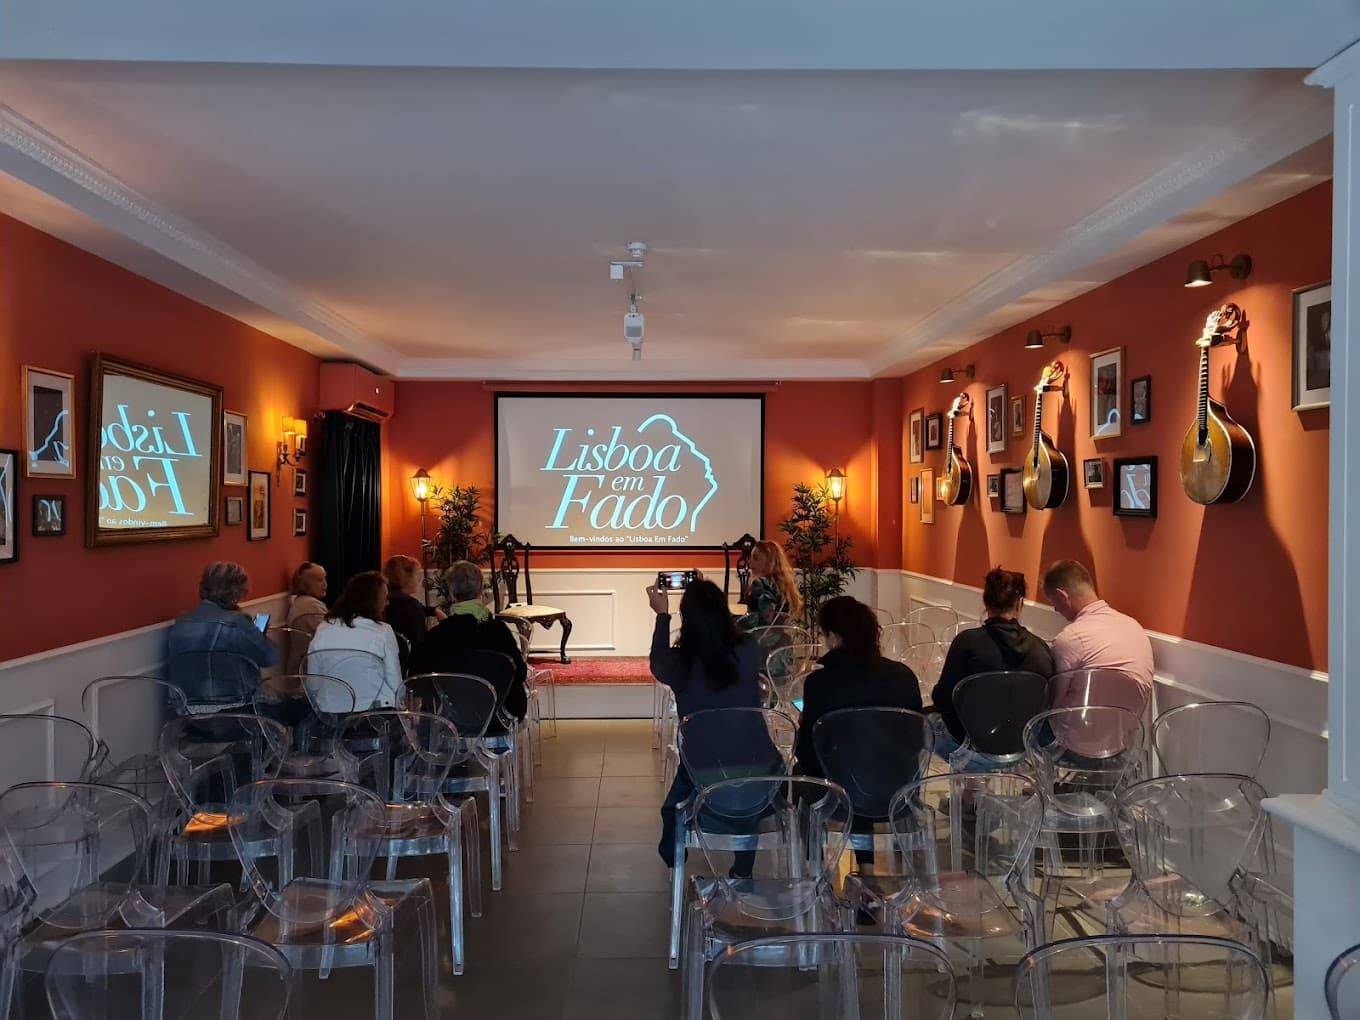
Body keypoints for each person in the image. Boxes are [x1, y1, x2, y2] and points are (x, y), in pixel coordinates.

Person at [649, 578, 774, 872]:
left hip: (704, 770)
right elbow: (734, 638)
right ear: (723, 611)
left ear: (686, 619)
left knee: (675, 802)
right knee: (746, 773)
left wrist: (661, 615)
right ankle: (743, 868)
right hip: (760, 772)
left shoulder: (679, 663)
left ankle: (675, 859)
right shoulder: (749, 650)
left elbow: (657, 660)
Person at [930, 568, 1055, 759]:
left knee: (929, 722)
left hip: (973, 747)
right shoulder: (1041, 649)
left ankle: (969, 784)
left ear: (986, 602)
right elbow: (1047, 704)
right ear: (1020, 603)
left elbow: (942, 698)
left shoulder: (966, 643)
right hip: (1023, 747)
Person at [793, 596, 922, 778]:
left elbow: (809, 755)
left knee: (798, 771)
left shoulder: (820, 682)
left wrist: (804, 724)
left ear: (834, 637)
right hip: (899, 785)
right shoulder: (903, 675)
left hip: (839, 792)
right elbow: (916, 741)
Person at [410, 560, 528, 720]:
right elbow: (520, 673)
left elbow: (417, 679)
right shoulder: (498, 631)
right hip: (499, 716)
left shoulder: (437, 635)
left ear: (451, 593)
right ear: (481, 591)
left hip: (450, 717)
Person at [1041, 559, 1154, 708]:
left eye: (1053, 603)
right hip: (1128, 728)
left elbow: (1054, 703)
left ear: (1062, 595)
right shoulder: (1134, 626)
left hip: (1073, 729)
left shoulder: (1070, 638)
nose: (1056, 610)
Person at [166, 562, 277, 713]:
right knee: (290, 705)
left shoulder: (181, 622)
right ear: (236, 593)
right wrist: (259, 635)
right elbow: (269, 658)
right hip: (237, 710)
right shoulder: (237, 622)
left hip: (188, 712)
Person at [307, 571, 403, 709]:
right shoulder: (383, 631)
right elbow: (395, 683)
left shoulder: (324, 628)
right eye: (385, 598)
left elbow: (313, 684)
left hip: (329, 715)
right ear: (373, 601)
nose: (387, 603)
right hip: (373, 715)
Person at [383, 554, 442, 667]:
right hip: (411, 668)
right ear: (406, 578)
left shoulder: (383, 601)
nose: (419, 580)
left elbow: (422, 608)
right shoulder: (412, 608)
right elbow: (421, 646)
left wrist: (435, 610)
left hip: (388, 662)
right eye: (417, 576)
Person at [738, 540, 802, 631]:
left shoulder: (759, 584)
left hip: (763, 642)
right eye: (751, 558)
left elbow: (760, 622)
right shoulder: (785, 586)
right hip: (785, 642)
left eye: (756, 558)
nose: (750, 562)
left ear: (769, 561)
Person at [282, 562, 328, 673]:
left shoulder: (303, 602)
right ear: (305, 584)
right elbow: (333, 634)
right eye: (319, 580)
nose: (325, 584)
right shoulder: (310, 606)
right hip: (307, 673)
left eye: (324, 579)